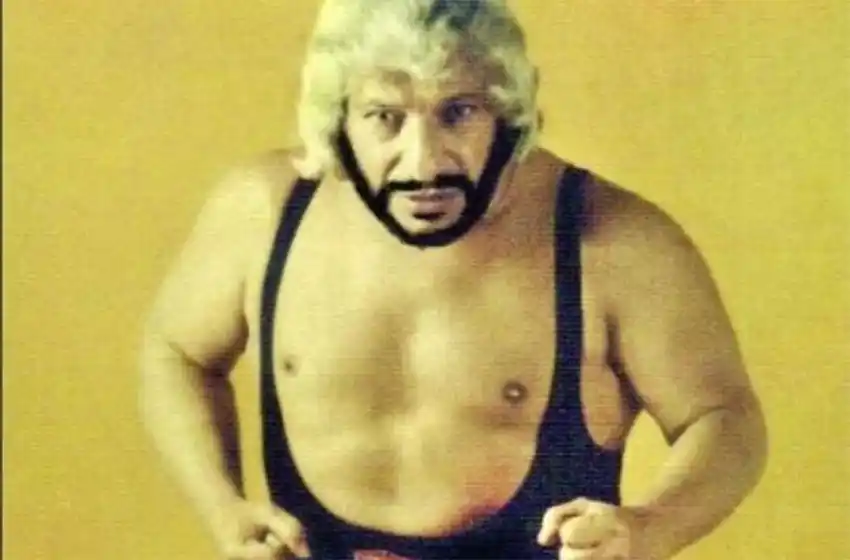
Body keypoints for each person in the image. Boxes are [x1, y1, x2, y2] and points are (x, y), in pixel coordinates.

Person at [138, 1, 768, 559]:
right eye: (385, 116)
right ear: (338, 118)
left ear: (507, 112)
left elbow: (724, 417)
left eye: (458, 112)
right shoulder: (264, 211)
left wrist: (649, 528)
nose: (424, 161)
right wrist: (223, 508)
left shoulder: (617, 240)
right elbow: (176, 351)